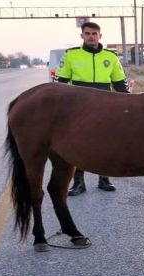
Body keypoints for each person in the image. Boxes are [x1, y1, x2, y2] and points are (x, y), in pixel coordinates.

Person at [56, 21, 129, 196]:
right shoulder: (71, 55)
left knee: (106, 143)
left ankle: (104, 179)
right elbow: (60, 83)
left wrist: (129, 103)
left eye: (94, 33)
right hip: (79, 107)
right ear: (82, 36)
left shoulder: (110, 56)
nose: (91, 36)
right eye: (87, 33)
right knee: (79, 145)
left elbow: (120, 82)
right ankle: (79, 183)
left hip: (106, 107)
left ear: (100, 36)